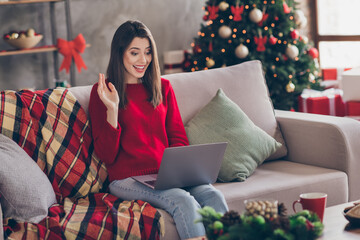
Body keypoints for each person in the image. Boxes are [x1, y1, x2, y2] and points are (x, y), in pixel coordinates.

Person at [89, 20, 228, 240]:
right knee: (183, 201)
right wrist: (112, 110)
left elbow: (178, 137)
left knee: (213, 196)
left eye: (147, 52)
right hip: (126, 178)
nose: (143, 60)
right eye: (134, 53)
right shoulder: (103, 92)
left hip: (166, 175)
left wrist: (178, 171)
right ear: (119, 53)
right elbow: (106, 155)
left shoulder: (163, 88)